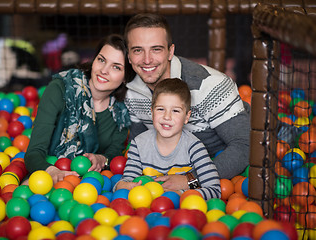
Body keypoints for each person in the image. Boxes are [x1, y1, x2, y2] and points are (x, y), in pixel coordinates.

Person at [123, 13, 250, 183]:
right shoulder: (132, 91)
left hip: (243, 155)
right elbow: (138, 147)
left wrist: (191, 179)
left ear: (170, 51)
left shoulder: (210, 85)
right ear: (129, 56)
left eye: (156, 49)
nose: (147, 60)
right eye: (138, 50)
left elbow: (246, 145)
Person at [24, 34, 135, 184]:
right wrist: (51, 170)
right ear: (93, 60)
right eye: (101, 60)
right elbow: (33, 153)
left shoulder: (121, 110)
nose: (104, 70)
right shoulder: (60, 89)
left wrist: (102, 159)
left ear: (126, 77)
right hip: (51, 175)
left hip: (92, 184)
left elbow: (115, 151)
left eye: (116, 67)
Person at [115, 78, 221, 200]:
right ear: (152, 112)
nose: (167, 117)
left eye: (175, 111)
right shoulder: (138, 145)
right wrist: (121, 186)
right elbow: (128, 181)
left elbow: (214, 189)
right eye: (160, 109)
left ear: (187, 117)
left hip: (184, 211)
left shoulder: (195, 147)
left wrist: (182, 193)